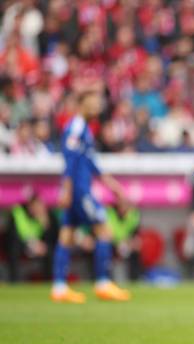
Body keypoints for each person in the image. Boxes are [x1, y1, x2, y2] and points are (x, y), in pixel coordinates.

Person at [51, 90, 131, 303]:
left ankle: (59, 287)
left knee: (66, 235)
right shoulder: (76, 127)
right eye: (92, 101)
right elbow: (70, 161)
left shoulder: (86, 128)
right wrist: (67, 190)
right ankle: (103, 283)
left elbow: (91, 163)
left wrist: (113, 185)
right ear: (81, 103)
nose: (97, 105)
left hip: (78, 188)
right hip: (79, 190)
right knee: (104, 230)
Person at [6, 192, 58, 282]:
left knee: (51, 250)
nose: (39, 209)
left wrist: (46, 226)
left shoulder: (47, 215)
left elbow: (53, 237)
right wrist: (29, 245)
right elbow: (11, 236)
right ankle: (15, 281)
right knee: (14, 249)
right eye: (36, 206)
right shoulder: (18, 212)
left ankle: (49, 281)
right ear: (30, 206)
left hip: (39, 246)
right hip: (22, 244)